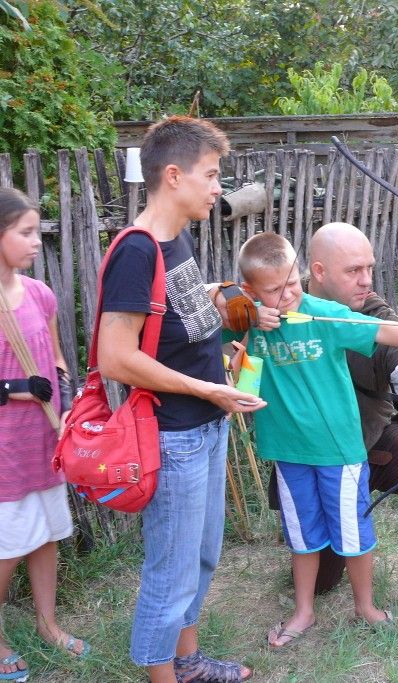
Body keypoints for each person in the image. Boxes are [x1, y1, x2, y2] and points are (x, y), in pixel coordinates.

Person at [96, 117, 264, 683]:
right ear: (173, 176)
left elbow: (173, 319)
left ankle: (187, 663)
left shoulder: (178, 239)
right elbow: (115, 357)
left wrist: (223, 300)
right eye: (210, 175)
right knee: (171, 573)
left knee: (202, 557)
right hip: (173, 436)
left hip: (207, 426)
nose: (218, 187)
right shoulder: (137, 252)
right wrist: (203, 388)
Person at [236, 231, 398, 646]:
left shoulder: (329, 315)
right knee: (308, 546)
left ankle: (382, 599)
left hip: (343, 449)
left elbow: (386, 334)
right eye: (273, 291)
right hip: (290, 451)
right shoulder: (255, 321)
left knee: (355, 533)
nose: (287, 296)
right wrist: (247, 320)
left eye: (291, 284)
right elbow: (240, 375)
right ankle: (303, 611)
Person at [0, 188, 88, 683]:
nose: (37, 241)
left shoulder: (39, 294)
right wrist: (13, 389)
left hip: (45, 439)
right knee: (7, 546)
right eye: (26, 232)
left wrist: (68, 400)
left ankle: (47, 623)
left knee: (48, 535)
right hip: (4, 450)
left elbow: (55, 359)